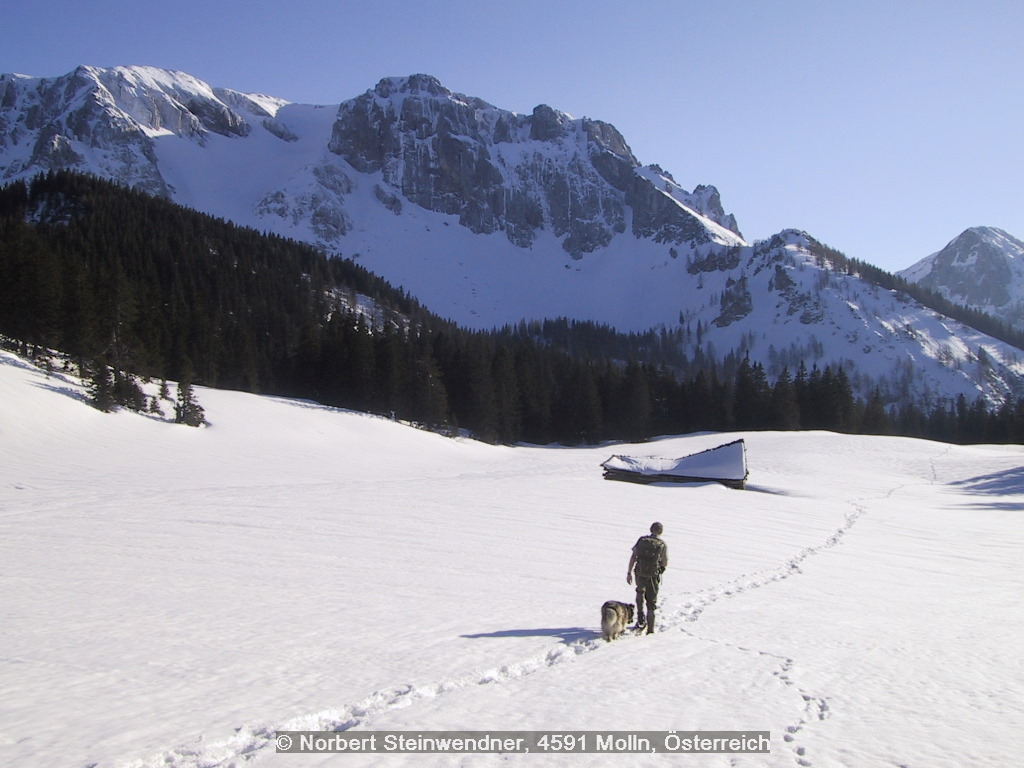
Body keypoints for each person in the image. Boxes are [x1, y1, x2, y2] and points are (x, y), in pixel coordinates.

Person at [626, 522, 668, 634]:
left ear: (650, 529)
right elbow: (665, 562)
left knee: (639, 593)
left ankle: (640, 620)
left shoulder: (642, 540)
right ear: (661, 531)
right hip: (653, 577)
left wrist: (629, 573)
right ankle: (650, 630)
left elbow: (633, 557)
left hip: (640, 573)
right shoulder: (662, 544)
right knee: (651, 602)